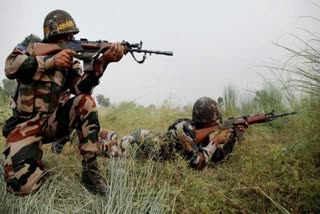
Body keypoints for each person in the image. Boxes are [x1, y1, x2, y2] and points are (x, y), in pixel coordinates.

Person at [2, 9, 124, 196]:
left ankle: (90, 172)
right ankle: (25, 158)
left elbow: (80, 90)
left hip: (51, 122)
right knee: (23, 189)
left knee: (86, 102)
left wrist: (104, 62)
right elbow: (11, 67)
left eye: (72, 35)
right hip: (24, 125)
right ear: (52, 35)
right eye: (66, 35)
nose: (72, 38)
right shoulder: (31, 43)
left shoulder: (70, 61)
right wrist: (50, 62)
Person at [120, 97, 248, 170]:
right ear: (208, 122)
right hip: (138, 143)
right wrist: (216, 141)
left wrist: (233, 135)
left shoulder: (200, 133)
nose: (218, 124)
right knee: (104, 148)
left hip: (144, 148)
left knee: (109, 139)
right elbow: (198, 164)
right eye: (215, 123)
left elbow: (215, 159)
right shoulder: (184, 129)